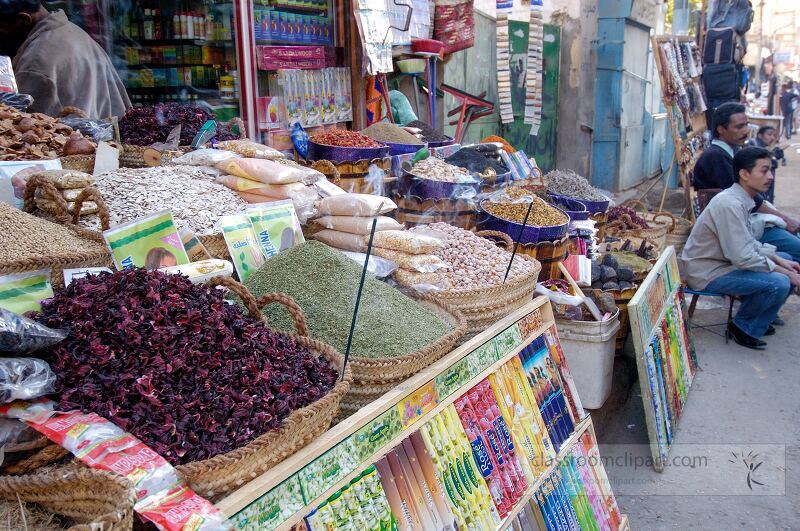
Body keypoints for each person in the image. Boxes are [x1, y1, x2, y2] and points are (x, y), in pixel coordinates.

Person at [682, 147, 800, 350]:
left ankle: (760, 318)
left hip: (724, 264)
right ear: (744, 174)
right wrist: (785, 272)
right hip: (707, 273)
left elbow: (748, 243)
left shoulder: (741, 199)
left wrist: (783, 263)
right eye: (764, 171)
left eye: (770, 170)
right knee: (779, 281)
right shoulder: (730, 204)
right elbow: (743, 257)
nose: (770, 176)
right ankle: (743, 327)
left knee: (787, 258)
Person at [692, 102, 800, 262]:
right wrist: (785, 219)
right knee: (796, 248)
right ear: (721, 129)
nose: (745, 131)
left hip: (747, 218)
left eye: (746, 125)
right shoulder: (716, 156)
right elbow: (746, 198)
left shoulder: (731, 151)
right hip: (737, 224)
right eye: (739, 127)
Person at [0, 1, 130, 118]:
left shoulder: (34, 64)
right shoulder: (71, 31)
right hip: (110, 138)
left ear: (23, 20)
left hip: (89, 141)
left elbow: (29, 132)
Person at [747, 125, 784, 203]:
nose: (772, 138)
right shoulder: (753, 145)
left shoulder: (764, 147)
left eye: (774, 135)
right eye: (769, 134)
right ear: (760, 135)